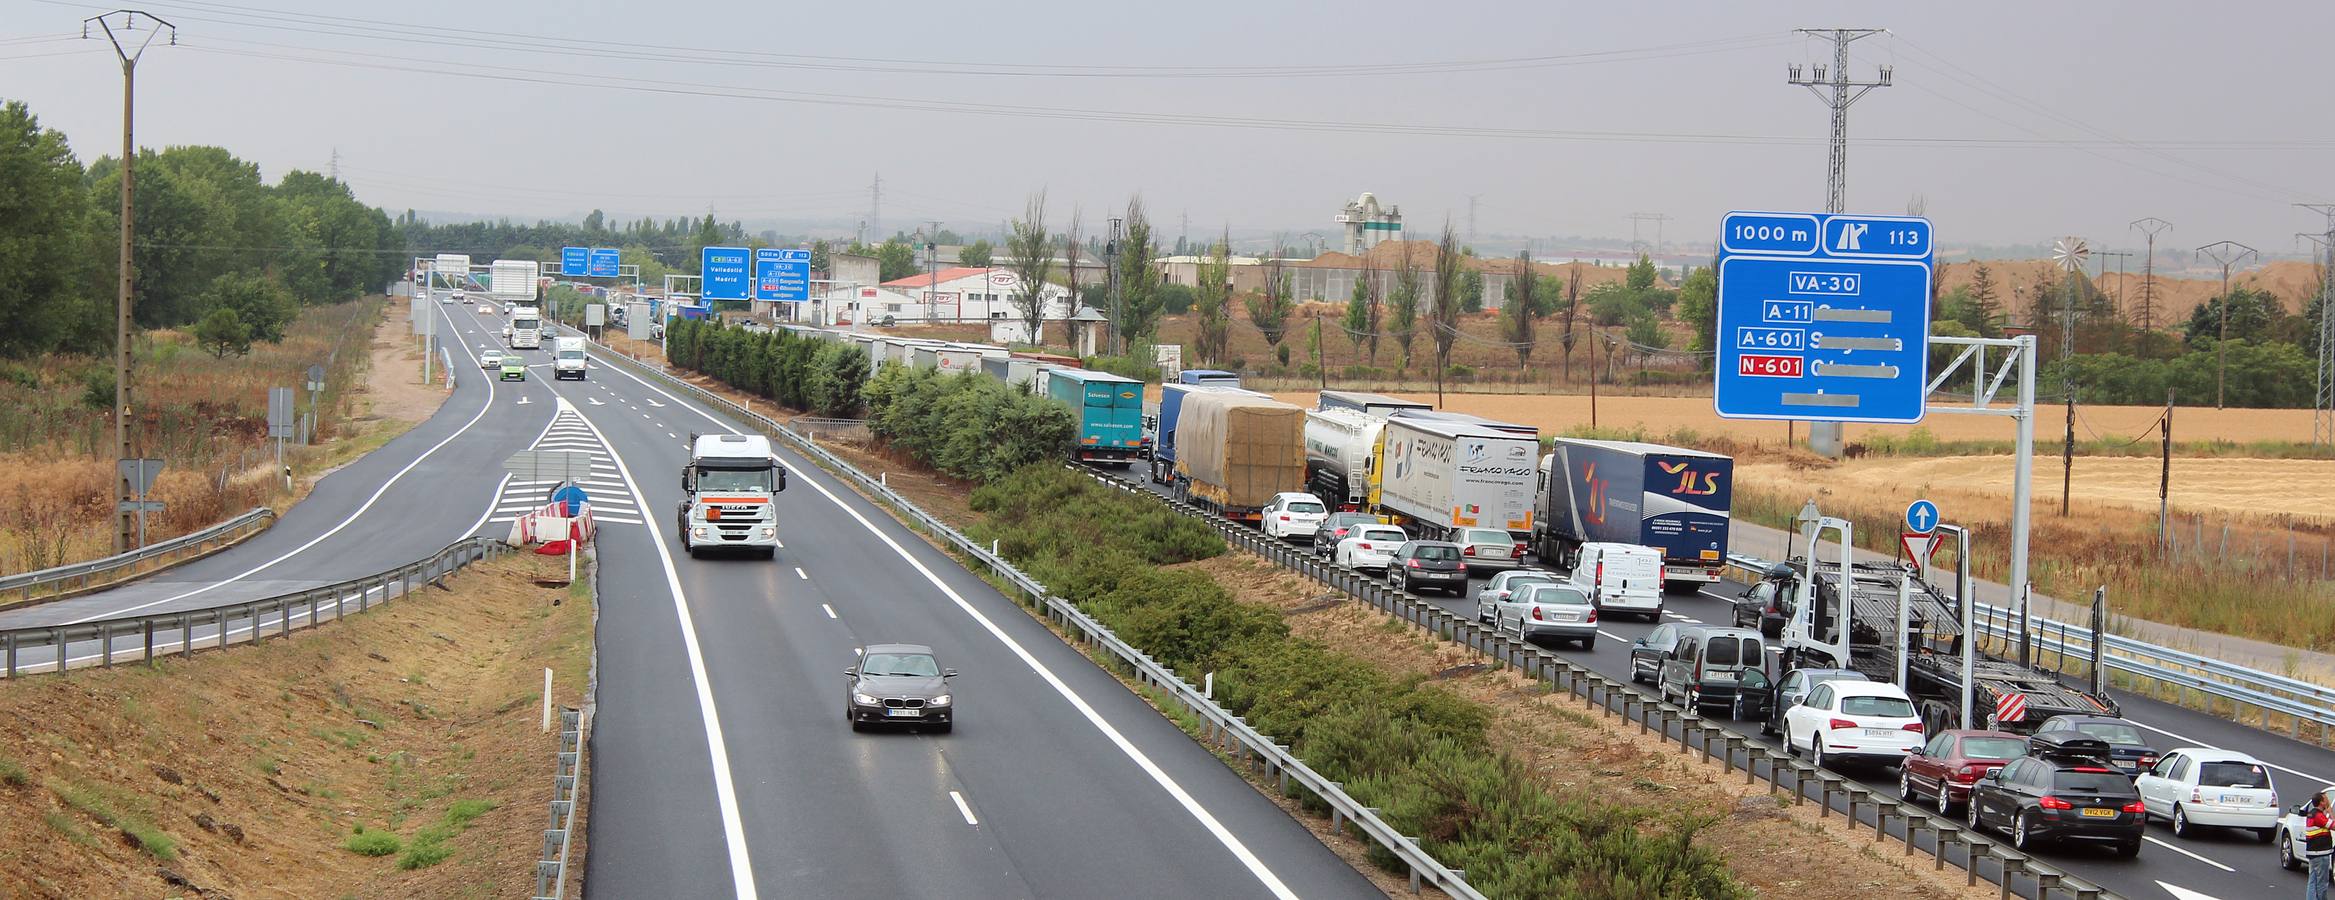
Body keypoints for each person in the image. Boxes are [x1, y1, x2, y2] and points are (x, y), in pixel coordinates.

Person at [2307, 791, 2331, 900]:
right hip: (2320, 853)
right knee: (2322, 883)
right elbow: (2333, 825)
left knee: (2312, 881)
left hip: (2313, 853)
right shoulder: (2318, 816)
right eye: (2326, 799)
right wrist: (2330, 811)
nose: (2328, 800)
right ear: (2321, 802)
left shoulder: (2312, 814)